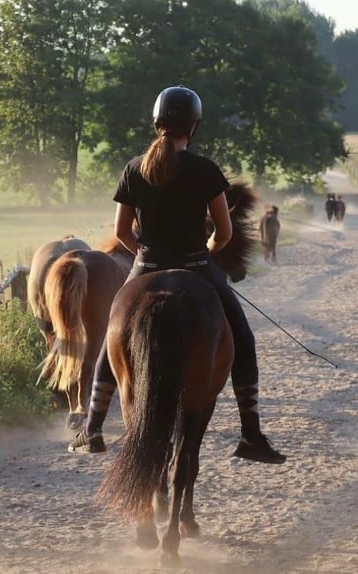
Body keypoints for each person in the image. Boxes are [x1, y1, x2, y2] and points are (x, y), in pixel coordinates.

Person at [68, 85, 286, 464]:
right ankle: (251, 434)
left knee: (109, 339)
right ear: (193, 126)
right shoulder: (205, 170)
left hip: (146, 266)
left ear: (157, 124)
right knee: (242, 337)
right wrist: (204, 254)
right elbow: (225, 232)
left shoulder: (134, 168)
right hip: (197, 267)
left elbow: (121, 232)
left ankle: (93, 428)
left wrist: (146, 258)